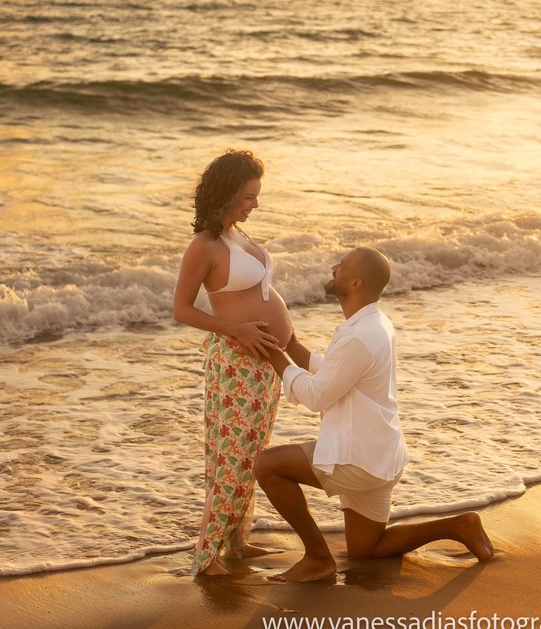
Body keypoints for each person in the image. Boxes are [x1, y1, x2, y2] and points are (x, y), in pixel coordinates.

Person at [252, 246, 494, 582]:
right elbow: (338, 373)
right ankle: (459, 525)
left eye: (343, 265)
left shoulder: (359, 336)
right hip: (381, 455)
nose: (334, 267)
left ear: (355, 283)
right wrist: (294, 349)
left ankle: (317, 558)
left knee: (267, 465)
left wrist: (274, 356)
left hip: (358, 459)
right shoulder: (375, 324)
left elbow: (316, 394)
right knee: (365, 549)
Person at [172, 149, 296, 576]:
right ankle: (206, 559)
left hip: (264, 364)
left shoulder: (238, 237)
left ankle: (237, 542)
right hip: (236, 364)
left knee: (251, 454)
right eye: (248, 196)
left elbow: (261, 298)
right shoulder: (203, 246)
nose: (255, 205)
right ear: (226, 194)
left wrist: (294, 348)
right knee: (232, 457)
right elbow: (182, 309)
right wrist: (237, 331)